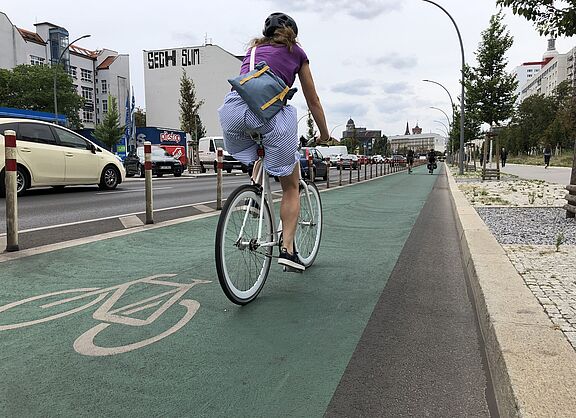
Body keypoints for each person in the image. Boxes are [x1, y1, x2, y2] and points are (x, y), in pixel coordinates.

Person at [218, 12, 331, 272]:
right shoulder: (297, 53)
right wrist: (324, 134)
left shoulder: (253, 51)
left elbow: (249, 89)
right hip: (269, 117)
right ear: (292, 34)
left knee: (260, 150)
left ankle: (254, 194)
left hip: (231, 113)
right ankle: (288, 250)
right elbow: (313, 100)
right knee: (291, 187)